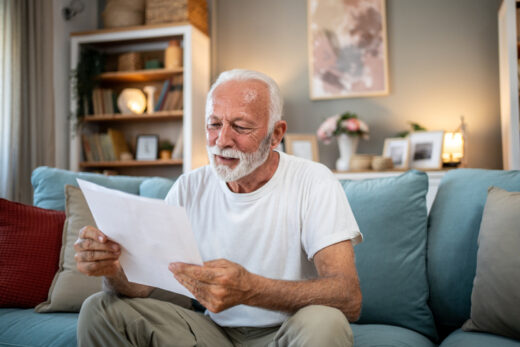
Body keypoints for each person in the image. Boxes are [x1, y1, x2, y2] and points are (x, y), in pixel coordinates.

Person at [74, 69, 363, 347]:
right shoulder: (189, 187)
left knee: (327, 322)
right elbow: (141, 288)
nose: (222, 140)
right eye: (214, 124)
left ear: (276, 135)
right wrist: (111, 269)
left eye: (240, 126)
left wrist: (252, 289)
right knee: (100, 309)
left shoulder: (314, 181)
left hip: (290, 332)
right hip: (214, 333)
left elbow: (348, 296)